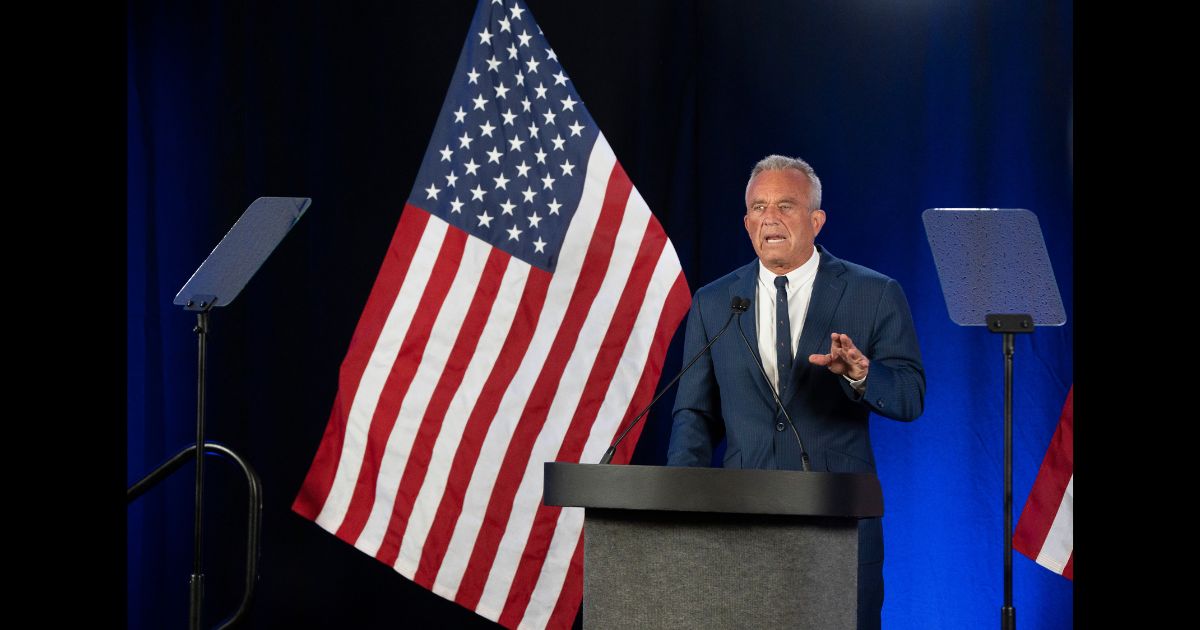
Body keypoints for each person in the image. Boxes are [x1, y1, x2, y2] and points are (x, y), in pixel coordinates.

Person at [667, 154, 925, 630]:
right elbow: (695, 416)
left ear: (816, 220)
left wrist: (862, 376)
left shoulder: (875, 293)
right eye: (759, 207)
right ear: (747, 223)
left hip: (840, 526)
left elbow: (910, 395)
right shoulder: (714, 301)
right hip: (741, 527)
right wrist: (679, 506)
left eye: (786, 205)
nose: (770, 218)